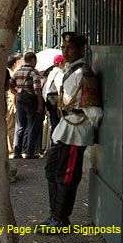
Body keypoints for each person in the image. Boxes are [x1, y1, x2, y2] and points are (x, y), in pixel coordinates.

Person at [37, 32, 103, 231]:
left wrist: (88, 127)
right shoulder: (71, 70)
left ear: (80, 50)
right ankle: (54, 215)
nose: (65, 51)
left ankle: (60, 220)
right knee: (51, 170)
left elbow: (94, 110)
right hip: (66, 126)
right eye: (64, 48)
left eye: (70, 48)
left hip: (76, 128)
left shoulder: (84, 73)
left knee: (66, 175)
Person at [10, 51, 43, 159]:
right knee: (32, 126)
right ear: (33, 60)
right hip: (31, 101)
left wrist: (16, 93)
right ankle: (30, 152)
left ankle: (17, 152)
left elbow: (10, 85)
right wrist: (40, 104)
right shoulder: (34, 72)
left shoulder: (17, 72)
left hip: (20, 100)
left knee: (20, 126)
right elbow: (37, 90)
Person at [6, 54, 23, 153]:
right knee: (10, 124)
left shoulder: (11, 72)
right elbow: (10, 89)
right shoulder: (10, 73)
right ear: (15, 62)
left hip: (11, 101)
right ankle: (9, 147)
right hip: (10, 101)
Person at [45, 54, 65, 136]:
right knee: (56, 125)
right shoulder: (59, 74)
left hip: (50, 100)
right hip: (55, 102)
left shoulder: (52, 72)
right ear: (60, 63)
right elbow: (61, 88)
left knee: (54, 124)